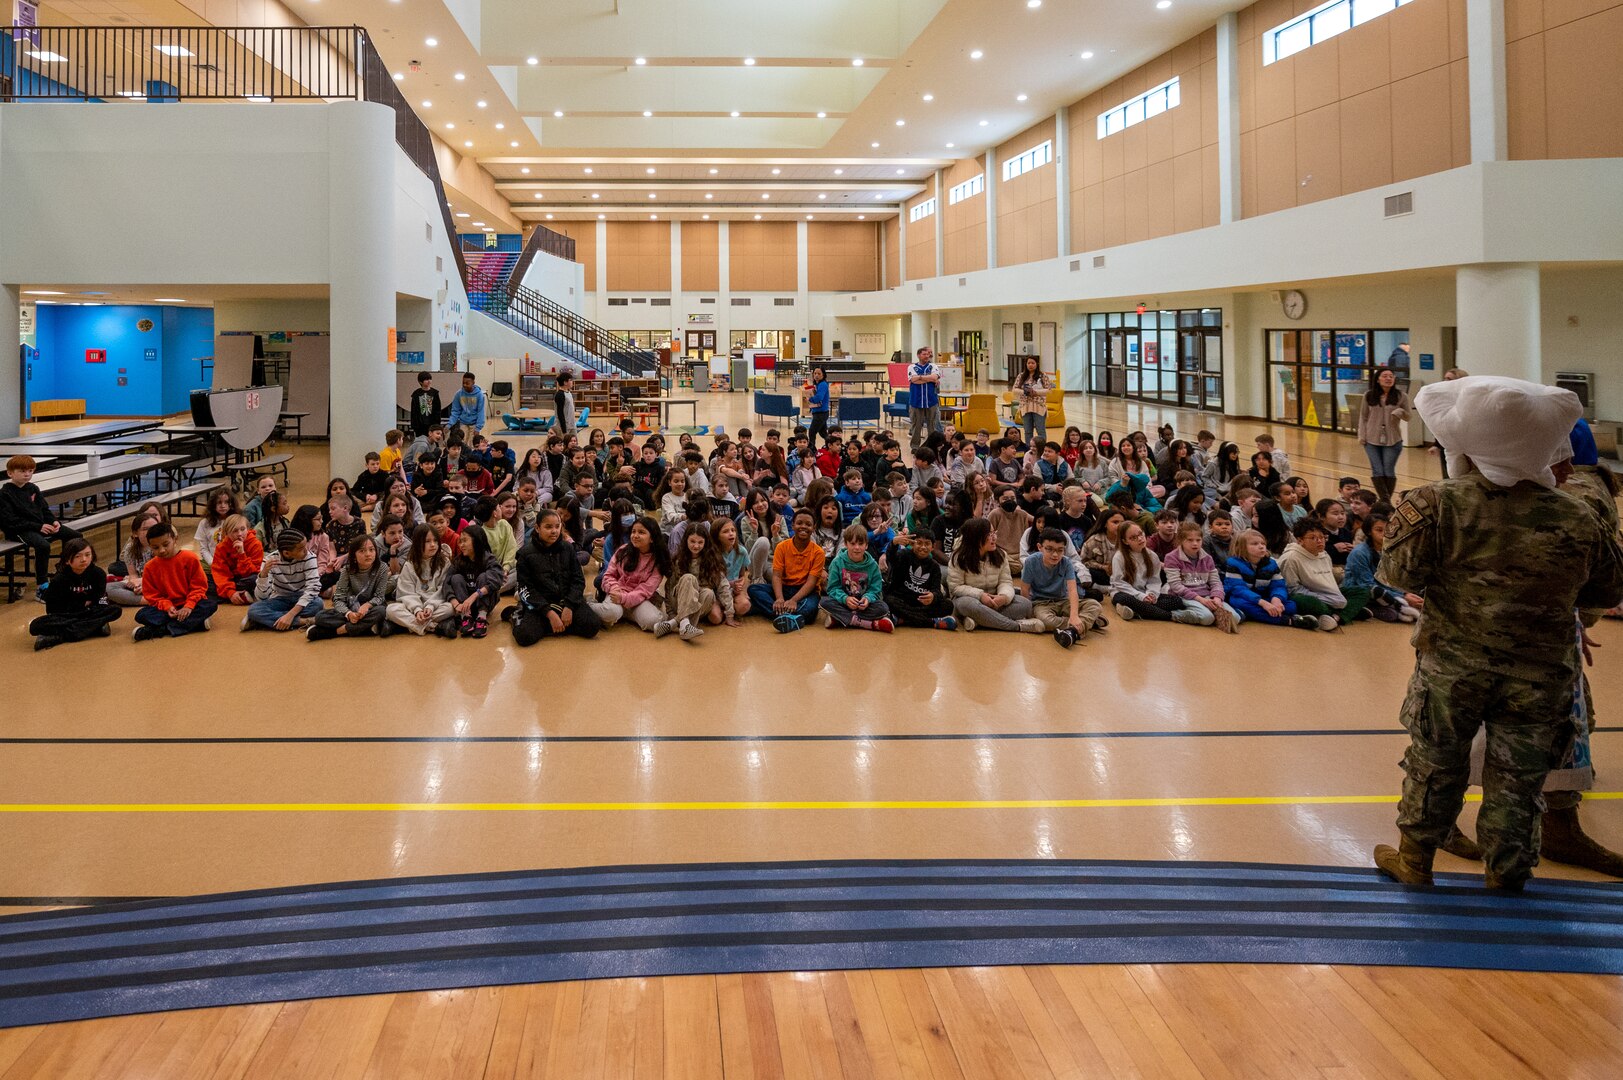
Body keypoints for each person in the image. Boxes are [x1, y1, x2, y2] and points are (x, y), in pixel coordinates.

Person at [1373, 376, 1623, 891]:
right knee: (1520, 775)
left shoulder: (1435, 503)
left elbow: (1398, 578)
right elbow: (1603, 593)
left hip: (1451, 666)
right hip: (1541, 671)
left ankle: (1416, 861)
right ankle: (1507, 873)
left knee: (1435, 761)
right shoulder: (1579, 515)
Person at [1, 455, 82, 602]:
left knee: (75, 537)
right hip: (18, 530)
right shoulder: (5, 493)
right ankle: (42, 586)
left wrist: (54, 521)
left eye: (30, 471)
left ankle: (64, 571)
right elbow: (9, 521)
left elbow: (44, 509)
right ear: (10, 473)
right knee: (43, 546)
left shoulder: (33, 488)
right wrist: (39, 526)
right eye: (22, 471)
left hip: (39, 526)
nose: (27, 474)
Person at [128, 523, 217, 641]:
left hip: (190, 603)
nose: (162, 550)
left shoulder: (190, 558)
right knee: (141, 615)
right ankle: (195, 624)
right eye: (155, 547)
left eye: (166, 544)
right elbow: (152, 596)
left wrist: (188, 607)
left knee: (210, 605)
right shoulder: (150, 567)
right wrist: (168, 607)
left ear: (175, 539)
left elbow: (199, 587)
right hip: (167, 608)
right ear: (150, 546)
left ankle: (160, 630)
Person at [948, 517, 1039, 633]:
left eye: (994, 533)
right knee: (967, 604)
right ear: (975, 537)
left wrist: (1004, 597)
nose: (994, 537)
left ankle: (978, 620)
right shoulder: (959, 557)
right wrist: (980, 595)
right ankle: (1017, 626)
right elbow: (955, 587)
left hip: (994, 599)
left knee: (1025, 604)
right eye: (989, 534)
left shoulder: (1001, 555)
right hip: (970, 599)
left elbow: (1005, 582)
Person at [29, 538, 121, 649]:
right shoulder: (59, 579)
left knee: (115, 610)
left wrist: (81, 604)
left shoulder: (98, 574)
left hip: (89, 612)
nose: (84, 559)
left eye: (87, 555)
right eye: (78, 556)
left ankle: (60, 636)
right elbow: (53, 610)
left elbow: (99, 599)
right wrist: (82, 603)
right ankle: (94, 628)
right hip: (67, 616)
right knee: (35, 625)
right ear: (67, 560)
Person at [1022, 527, 1106, 648]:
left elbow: (1072, 590)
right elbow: (1025, 589)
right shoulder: (1031, 562)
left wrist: (1074, 615)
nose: (1055, 554)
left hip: (1062, 600)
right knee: (1045, 621)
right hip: (1041, 603)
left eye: (1060, 550)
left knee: (1094, 605)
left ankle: (1072, 632)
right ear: (1040, 547)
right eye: (1049, 549)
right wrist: (1029, 613)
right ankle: (1088, 622)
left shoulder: (1066, 562)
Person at [1224, 528, 1317, 630]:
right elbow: (1238, 588)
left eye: (1263, 543)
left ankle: (1253, 615)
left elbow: (1278, 585)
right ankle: (1289, 621)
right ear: (1241, 547)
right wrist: (1262, 603)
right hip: (1244, 598)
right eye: (1255, 544)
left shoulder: (1271, 563)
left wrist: (1276, 599)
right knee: (1241, 603)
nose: (1261, 547)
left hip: (1264, 598)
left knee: (1291, 606)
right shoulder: (1233, 563)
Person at [750, 508, 825, 632]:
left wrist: (794, 600)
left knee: (811, 610)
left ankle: (780, 613)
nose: (803, 527)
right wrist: (779, 598)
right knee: (753, 589)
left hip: (805, 591)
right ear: (793, 525)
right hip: (785, 588)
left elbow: (811, 582)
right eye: (799, 523)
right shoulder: (782, 547)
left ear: (814, 528)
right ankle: (789, 615)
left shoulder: (818, 552)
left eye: (808, 524)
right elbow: (777, 576)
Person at [591, 515, 670, 632]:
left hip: (638, 599)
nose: (635, 536)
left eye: (641, 532)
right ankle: (589, 605)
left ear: (652, 538)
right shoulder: (623, 550)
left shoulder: (658, 560)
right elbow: (608, 575)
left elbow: (646, 590)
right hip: (617, 593)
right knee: (612, 612)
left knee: (654, 621)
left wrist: (625, 599)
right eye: (633, 532)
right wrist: (614, 587)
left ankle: (623, 613)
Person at [307, 535, 391, 640]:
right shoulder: (347, 570)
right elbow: (338, 599)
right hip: (351, 608)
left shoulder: (382, 568)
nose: (368, 554)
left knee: (381, 611)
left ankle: (337, 631)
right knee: (320, 617)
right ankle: (366, 628)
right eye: (362, 551)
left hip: (371, 609)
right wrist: (348, 613)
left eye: (371, 550)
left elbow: (379, 597)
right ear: (353, 555)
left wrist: (367, 605)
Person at [657, 522, 731, 639]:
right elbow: (669, 587)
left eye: (700, 542)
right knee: (689, 578)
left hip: (699, 602)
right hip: (679, 600)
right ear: (686, 541)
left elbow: (723, 586)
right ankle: (684, 622)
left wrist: (729, 613)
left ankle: (677, 624)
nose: (696, 546)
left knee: (709, 593)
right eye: (692, 541)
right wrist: (671, 613)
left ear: (705, 543)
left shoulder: (712, 560)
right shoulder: (678, 559)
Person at [1163, 522, 1239, 631]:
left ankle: (1208, 612)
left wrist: (1217, 597)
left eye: (1198, 540)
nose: (1195, 544)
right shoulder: (1171, 557)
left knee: (1235, 618)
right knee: (1207, 618)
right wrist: (1200, 600)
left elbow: (1216, 582)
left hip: (1206, 595)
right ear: (1180, 540)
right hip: (1184, 596)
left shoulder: (1207, 558)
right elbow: (1176, 586)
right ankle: (1174, 614)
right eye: (1190, 540)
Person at [244, 528, 323, 632]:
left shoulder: (309, 557)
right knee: (254, 610)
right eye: (301, 548)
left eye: (305, 545)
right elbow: (261, 598)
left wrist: (291, 614)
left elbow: (313, 589)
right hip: (280, 598)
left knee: (318, 603)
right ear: (287, 553)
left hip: (301, 597)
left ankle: (266, 621)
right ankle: (304, 621)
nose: (306, 550)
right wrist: (263, 575)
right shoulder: (269, 561)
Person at [386, 524, 457, 636]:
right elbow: (406, 592)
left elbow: (443, 589)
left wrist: (430, 606)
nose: (433, 545)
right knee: (391, 609)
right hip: (413, 607)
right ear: (418, 544)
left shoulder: (444, 563)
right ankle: (434, 627)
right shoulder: (410, 564)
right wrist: (417, 609)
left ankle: (408, 625)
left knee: (450, 608)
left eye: (435, 541)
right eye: (427, 541)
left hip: (435, 605)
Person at [821, 523, 893, 632]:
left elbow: (876, 589)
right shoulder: (837, 562)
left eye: (861, 543)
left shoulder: (873, 565)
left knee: (883, 608)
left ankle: (842, 618)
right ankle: (867, 624)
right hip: (844, 602)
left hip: (864, 605)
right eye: (853, 543)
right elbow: (833, 588)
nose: (857, 548)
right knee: (824, 602)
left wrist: (868, 598)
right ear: (846, 544)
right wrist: (845, 599)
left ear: (866, 545)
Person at [1278, 518, 1344, 631]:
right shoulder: (1291, 558)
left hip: (1327, 594)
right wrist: (1325, 598)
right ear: (1300, 540)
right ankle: (1342, 613)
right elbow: (1292, 589)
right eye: (1313, 538)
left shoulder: (1325, 555)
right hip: (1304, 595)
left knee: (1361, 591)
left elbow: (1329, 583)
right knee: (1311, 603)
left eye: (1322, 537)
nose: (1319, 541)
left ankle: (1335, 616)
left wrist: (1333, 596)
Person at [1109, 521, 1181, 622]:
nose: (1140, 538)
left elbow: (1154, 580)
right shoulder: (1119, 557)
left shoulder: (1152, 556)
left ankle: (1135, 611)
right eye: (1133, 537)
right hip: (1125, 593)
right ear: (1125, 541)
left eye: (1140, 534)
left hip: (1144, 592)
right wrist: (1141, 596)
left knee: (1176, 601)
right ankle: (1168, 616)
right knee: (1125, 599)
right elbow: (1119, 583)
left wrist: (1152, 594)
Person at [1358, 366, 1410, 503]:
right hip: (1371, 439)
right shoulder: (1369, 395)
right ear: (1378, 380)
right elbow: (1363, 417)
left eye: (1391, 376)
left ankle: (1384, 501)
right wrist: (1361, 435)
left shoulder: (1401, 396)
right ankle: (1385, 501)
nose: (1388, 378)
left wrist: (1400, 412)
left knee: (1388, 470)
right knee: (1377, 470)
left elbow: (1409, 416)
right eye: (1385, 376)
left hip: (1393, 440)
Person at [446, 524, 505, 638]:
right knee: (455, 578)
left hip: (484, 602)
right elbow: (447, 582)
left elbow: (497, 580)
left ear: (476, 540)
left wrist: (474, 595)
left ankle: (481, 618)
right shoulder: (459, 560)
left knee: (484, 576)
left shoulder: (488, 558)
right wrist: (456, 603)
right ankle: (466, 617)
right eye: (460, 541)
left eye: (464, 541)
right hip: (465, 605)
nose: (461, 545)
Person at [193, 486, 238, 572]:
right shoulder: (205, 523)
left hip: (234, 563)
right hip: (213, 563)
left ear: (231, 504)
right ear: (213, 505)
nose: (223, 506)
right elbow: (203, 549)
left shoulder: (237, 520)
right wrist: (212, 563)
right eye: (219, 502)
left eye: (226, 502)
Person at [1012, 356, 1054, 445]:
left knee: (1041, 431)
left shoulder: (1043, 376)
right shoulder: (1021, 376)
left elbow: (1049, 390)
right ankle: (1029, 449)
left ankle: (1042, 449)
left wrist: (1036, 392)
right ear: (1026, 364)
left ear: (1037, 364)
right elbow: (1014, 389)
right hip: (1025, 406)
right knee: (1027, 431)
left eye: (1033, 363)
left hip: (1039, 406)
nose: (1030, 365)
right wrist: (1024, 391)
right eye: (1028, 363)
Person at [907, 347, 941, 449]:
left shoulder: (933, 366)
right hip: (916, 401)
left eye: (928, 354)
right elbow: (913, 380)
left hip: (931, 401)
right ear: (918, 355)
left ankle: (932, 446)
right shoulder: (912, 367)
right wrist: (928, 378)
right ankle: (915, 446)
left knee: (932, 425)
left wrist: (920, 377)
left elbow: (934, 377)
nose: (927, 356)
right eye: (924, 354)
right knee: (916, 425)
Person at [447, 372, 487, 444]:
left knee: (472, 444)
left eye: (467, 383)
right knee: (462, 443)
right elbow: (455, 411)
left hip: (474, 423)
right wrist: (450, 424)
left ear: (473, 383)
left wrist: (478, 428)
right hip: (463, 422)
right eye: (463, 383)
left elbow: (481, 412)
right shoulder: (459, 394)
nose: (465, 385)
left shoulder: (479, 395)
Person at [409, 372, 443, 438]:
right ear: (420, 382)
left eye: (430, 379)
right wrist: (414, 425)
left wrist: (437, 424)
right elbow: (414, 410)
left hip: (432, 422)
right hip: (420, 423)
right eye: (426, 379)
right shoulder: (416, 394)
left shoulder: (435, 393)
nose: (429, 381)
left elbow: (437, 409)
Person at [804, 366, 832, 448]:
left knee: (812, 432)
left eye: (819, 373)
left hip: (821, 413)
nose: (816, 375)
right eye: (815, 373)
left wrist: (810, 399)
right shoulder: (818, 384)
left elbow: (819, 397)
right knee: (823, 433)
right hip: (819, 412)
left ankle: (812, 449)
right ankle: (832, 445)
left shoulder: (823, 384)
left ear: (823, 375)